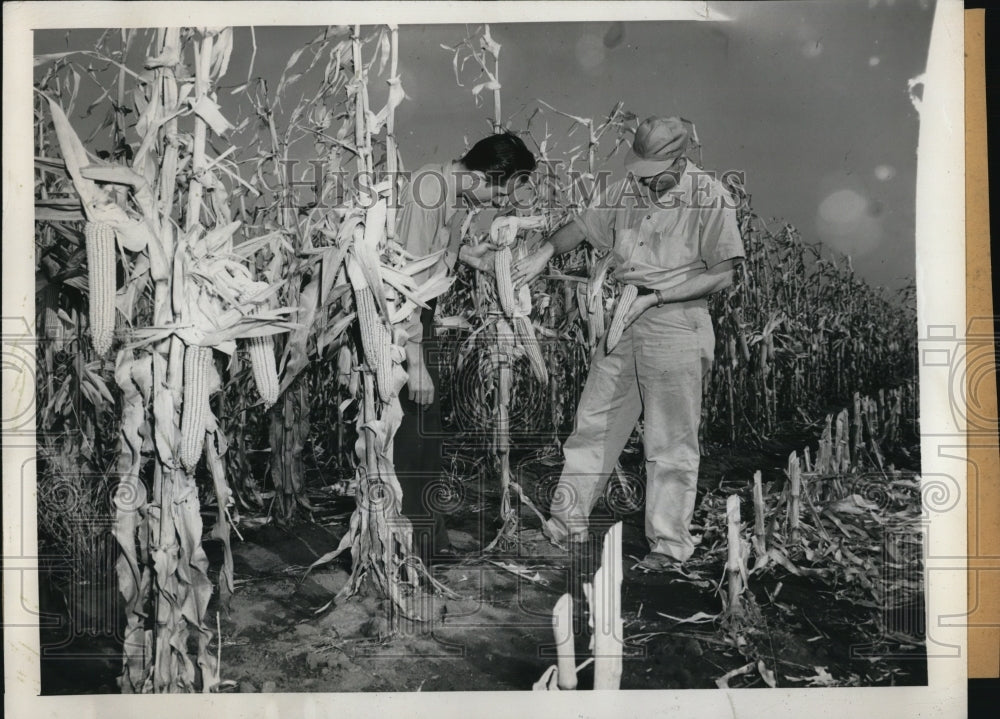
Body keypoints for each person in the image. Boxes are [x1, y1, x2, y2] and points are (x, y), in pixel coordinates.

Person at [511, 116, 744, 571]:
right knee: (594, 423)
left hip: (675, 322)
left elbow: (724, 272)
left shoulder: (711, 198)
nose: (645, 180)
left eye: (652, 171)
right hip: (624, 320)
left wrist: (655, 297)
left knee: (669, 441)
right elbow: (582, 226)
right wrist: (544, 252)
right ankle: (565, 523)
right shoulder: (626, 191)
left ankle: (668, 547)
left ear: (680, 158)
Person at [394, 132, 537, 566]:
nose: (497, 201)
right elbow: (408, 282)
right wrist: (415, 364)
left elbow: (445, 256)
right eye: (498, 190)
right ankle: (409, 549)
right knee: (411, 438)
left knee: (429, 436)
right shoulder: (429, 191)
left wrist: (486, 259)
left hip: (422, 319)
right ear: (483, 175)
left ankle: (429, 542)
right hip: (404, 323)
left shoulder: (455, 196)